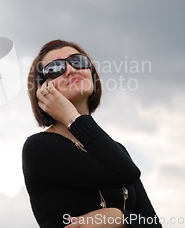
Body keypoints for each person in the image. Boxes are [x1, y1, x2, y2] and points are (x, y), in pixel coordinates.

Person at [22, 39, 162, 228]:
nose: (71, 70)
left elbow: (153, 224)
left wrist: (118, 217)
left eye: (78, 61)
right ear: (42, 90)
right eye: (55, 69)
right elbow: (124, 171)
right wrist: (73, 118)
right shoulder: (39, 148)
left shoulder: (116, 149)